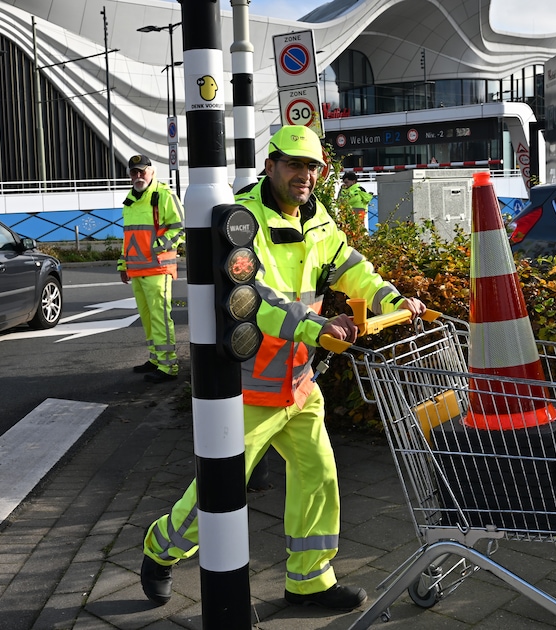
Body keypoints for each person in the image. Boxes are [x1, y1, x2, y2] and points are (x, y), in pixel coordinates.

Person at [140, 125, 426, 611]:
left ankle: (309, 581)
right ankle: (159, 550)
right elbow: (254, 300)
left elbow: (353, 268)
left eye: (312, 167)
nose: (304, 175)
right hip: (250, 387)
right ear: (270, 166)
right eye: (294, 165)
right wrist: (318, 327)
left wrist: (391, 298)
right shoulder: (240, 220)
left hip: (299, 382)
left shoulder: (319, 220)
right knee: (217, 491)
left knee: (319, 476)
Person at [118, 154, 184, 384]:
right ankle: (156, 359)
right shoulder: (130, 199)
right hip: (137, 269)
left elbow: (179, 227)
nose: (138, 176)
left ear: (152, 172)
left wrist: (157, 248)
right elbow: (129, 236)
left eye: (142, 171)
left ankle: (168, 366)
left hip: (158, 268)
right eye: (133, 172)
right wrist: (123, 263)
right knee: (147, 318)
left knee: (160, 318)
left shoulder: (163, 195)